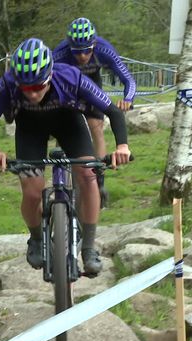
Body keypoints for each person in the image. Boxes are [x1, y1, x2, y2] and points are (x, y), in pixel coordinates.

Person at [0, 38, 131, 275]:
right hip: (29, 128)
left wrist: (122, 146)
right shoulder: (7, 83)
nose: (32, 94)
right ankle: (37, 238)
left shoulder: (69, 76)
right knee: (31, 189)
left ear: (50, 76)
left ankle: (89, 248)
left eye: (38, 86)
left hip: (68, 121)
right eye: (25, 89)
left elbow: (112, 110)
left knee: (88, 175)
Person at [53, 17, 136, 207]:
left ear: (94, 44)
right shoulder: (59, 53)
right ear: (69, 46)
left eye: (87, 51)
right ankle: (61, 178)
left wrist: (128, 99)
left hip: (92, 86)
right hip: (67, 88)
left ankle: (99, 181)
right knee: (64, 127)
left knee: (95, 126)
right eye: (77, 52)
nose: (82, 56)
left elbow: (128, 79)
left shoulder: (104, 49)